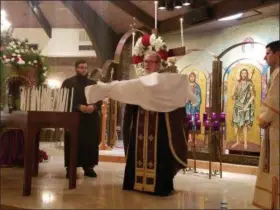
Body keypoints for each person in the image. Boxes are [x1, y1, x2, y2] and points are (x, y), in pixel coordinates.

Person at [85, 52, 198, 196]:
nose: (146, 64)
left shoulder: (166, 82)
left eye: (150, 62)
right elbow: (126, 94)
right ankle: (135, 183)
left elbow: (177, 100)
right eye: (145, 61)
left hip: (159, 127)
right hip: (140, 125)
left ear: (158, 64)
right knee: (138, 151)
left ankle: (159, 186)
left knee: (160, 154)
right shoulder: (139, 82)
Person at [61, 59, 101, 178]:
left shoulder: (93, 83)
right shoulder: (68, 82)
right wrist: (78, 107)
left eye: (85, 68)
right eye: (81, 67)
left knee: (90, 143)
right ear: (76, 68)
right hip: (74, 117)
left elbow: (99, 99)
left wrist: (93, 106)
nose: (83, 70)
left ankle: (89, 167)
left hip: (90, 119)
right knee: (73, 142)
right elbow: (64, 99)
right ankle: (71, 167)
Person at [253, 40, 279, 209]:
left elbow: (274, 101)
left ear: (278, 54)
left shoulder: (279, 74)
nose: (265, 57)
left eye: (268, 53)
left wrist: (262, 118)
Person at [231, 68, 256, 149]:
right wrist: (233, 96)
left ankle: (245, 142)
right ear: (240, 74)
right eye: (242, 73)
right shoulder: (237, 83)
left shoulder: (249, 84)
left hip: (245, 107)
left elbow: (253, 96)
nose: (244, 75)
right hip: (237, 106)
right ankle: (237, 141)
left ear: (247, 74)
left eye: (245, 73)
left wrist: (246, 105)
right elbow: (233, 95)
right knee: (236, 125)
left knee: (244, 125)